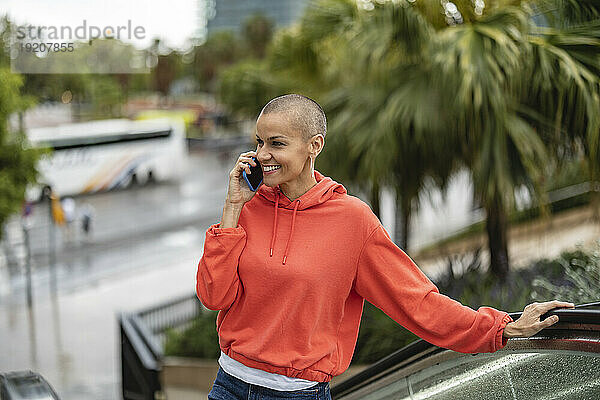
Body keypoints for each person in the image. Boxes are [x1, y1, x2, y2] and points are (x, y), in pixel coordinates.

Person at [196, 94, 574, 400]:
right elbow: (214, 296)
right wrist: (232, 207)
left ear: (315, 146)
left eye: (277, 144)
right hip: (229, 385)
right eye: (259, 142)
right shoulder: (248, 206)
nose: (262, 155)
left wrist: (502, 327)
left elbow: (417, 302)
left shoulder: (352, 221)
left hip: (298, 395)